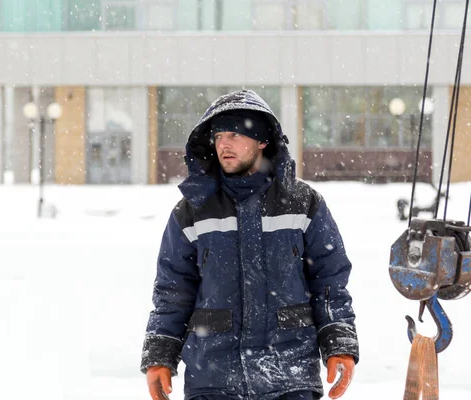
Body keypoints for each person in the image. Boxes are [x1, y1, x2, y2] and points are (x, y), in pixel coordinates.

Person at [141, 89, 359, 400]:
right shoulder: (192, 210)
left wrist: (339, 343)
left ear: (262, 140)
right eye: (217, 137)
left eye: (234, 134)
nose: (223, 145)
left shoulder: (302, 203)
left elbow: (330, 283)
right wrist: (159, 356)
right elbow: (172, 292)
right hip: (214, 380)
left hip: (289, 377)